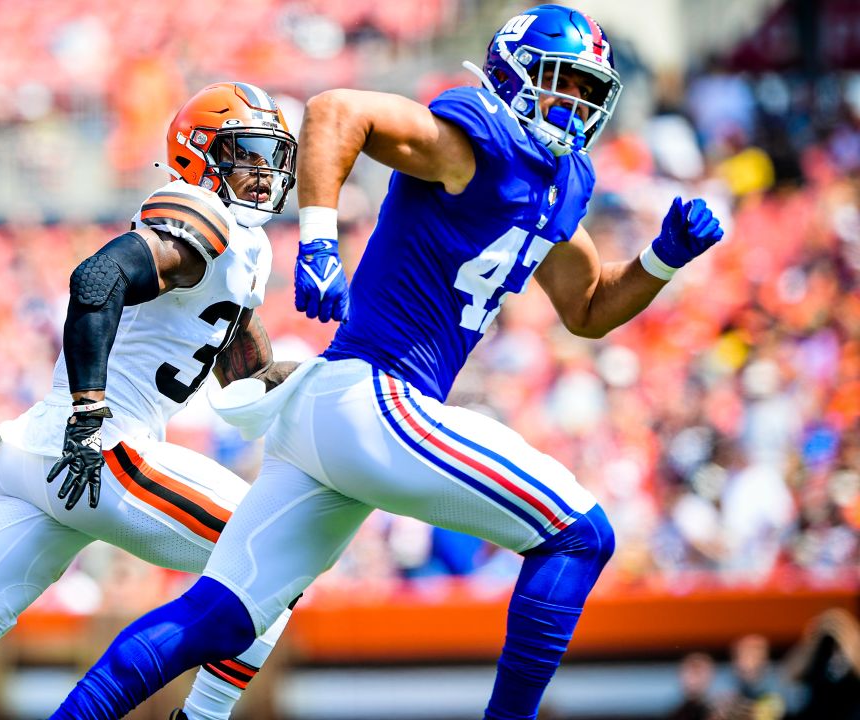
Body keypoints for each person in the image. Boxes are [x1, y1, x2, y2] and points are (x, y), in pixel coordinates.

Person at [48, 6, 727, 719]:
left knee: (217, 617)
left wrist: (660, 259)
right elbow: (338, 110)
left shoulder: (555, 183)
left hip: (329, 418)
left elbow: (588, 307)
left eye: (591, 92)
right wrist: (318, 241)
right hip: (376, 398)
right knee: (580, 534)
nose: (579, 105)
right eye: (565, 84)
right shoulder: (477, 139)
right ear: (515, 76)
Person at [0, 82, 300, 720]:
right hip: (100, 445)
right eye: (247, 154)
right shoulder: (200, 212)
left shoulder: (239, 247)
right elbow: (97, 278)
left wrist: (343, 382)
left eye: (271, 155)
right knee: (280, 547)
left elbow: (251, 372)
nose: (264, 172)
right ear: (198, 156)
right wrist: (90, 414)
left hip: (37, 453)